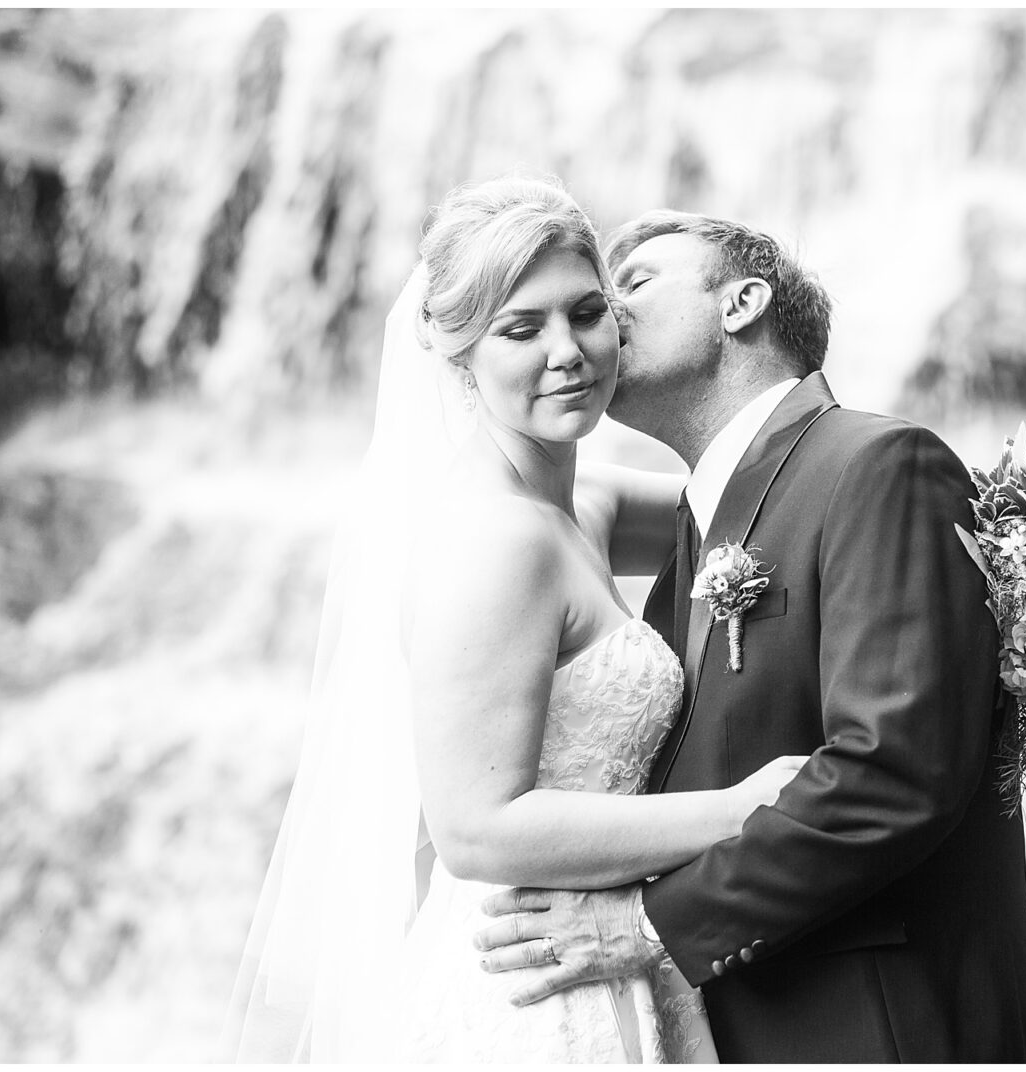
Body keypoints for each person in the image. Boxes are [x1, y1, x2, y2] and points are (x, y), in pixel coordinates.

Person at [223, 177, 806, 1062]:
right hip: (530, 990)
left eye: (584, 312)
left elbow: (779, 506)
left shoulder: (589, 499)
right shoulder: (495, 540)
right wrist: (738, 810)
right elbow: (475, 828)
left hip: (613, 951)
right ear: (457, 355)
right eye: (520, 329)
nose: (567, 353)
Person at [473, 211, 1026, 1062]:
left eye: (630, 285)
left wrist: (649, 925)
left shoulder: (878, 464)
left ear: (741, 303)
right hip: (743, 1019)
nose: (602, 311)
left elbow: (895, 770)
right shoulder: (695, 517)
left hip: (876, 1021)